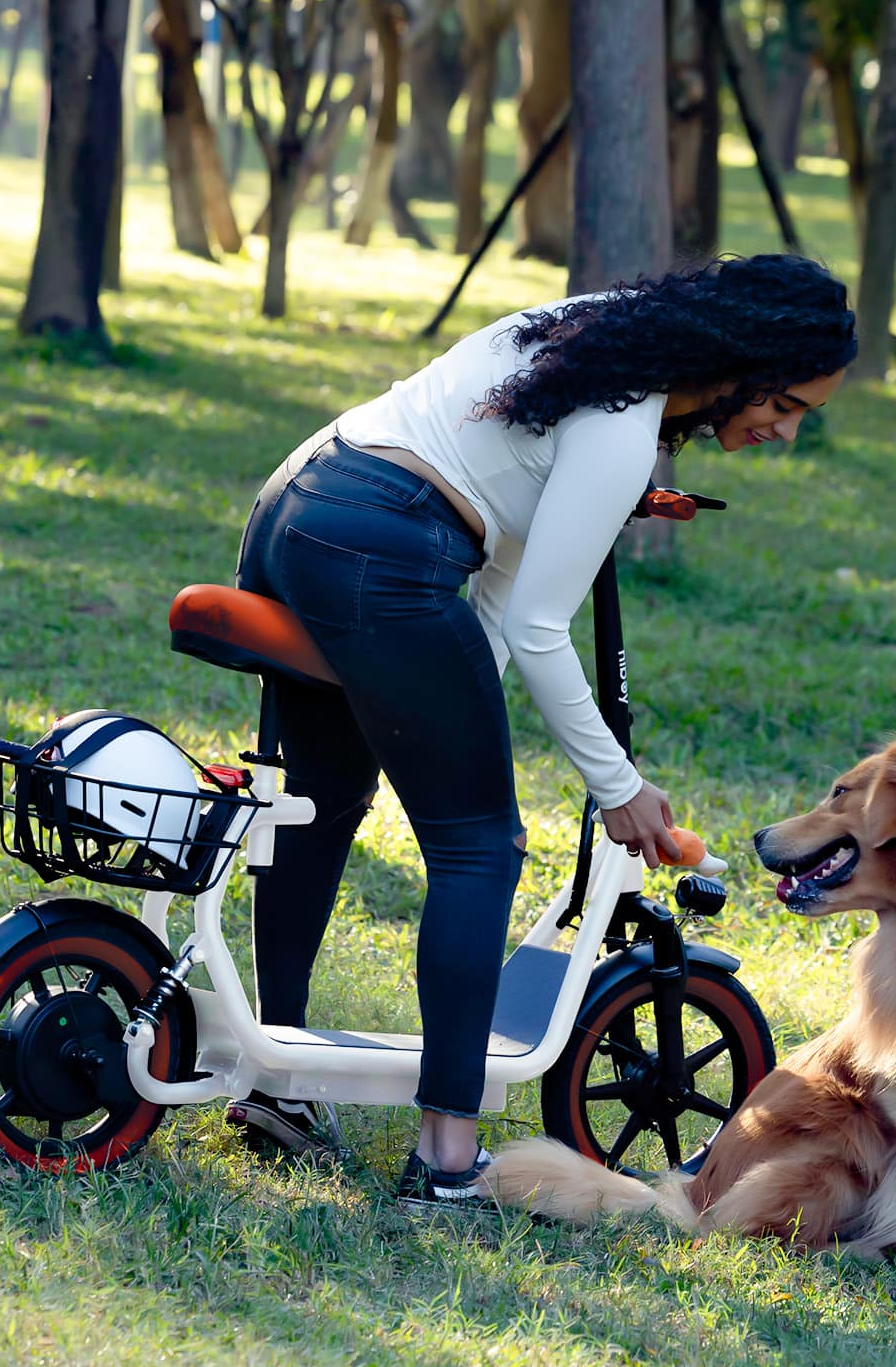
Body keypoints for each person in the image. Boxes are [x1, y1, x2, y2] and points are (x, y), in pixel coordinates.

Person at [228, 252, 858, 1206]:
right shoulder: (619, 420)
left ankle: (277, 1082)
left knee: (320, 802)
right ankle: (447, 1158)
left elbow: (495, 578)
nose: (786, 432)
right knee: (481, 845)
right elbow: (535, 627)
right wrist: (620, 789)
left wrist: (454, 702)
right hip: (380, 543)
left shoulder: (596, 340)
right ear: (745, 363)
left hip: (304, 503)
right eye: (791, 405)